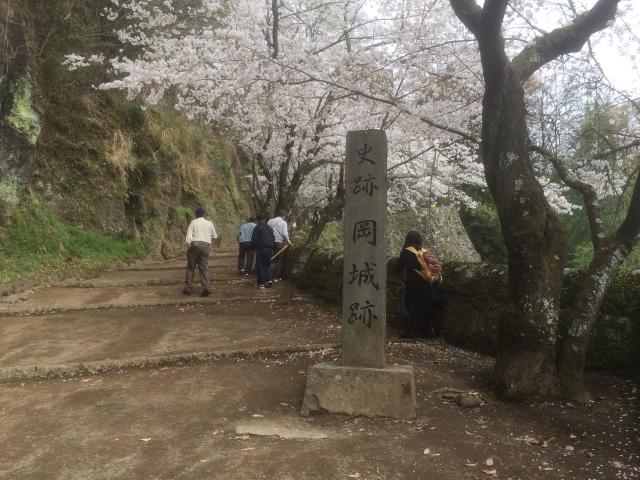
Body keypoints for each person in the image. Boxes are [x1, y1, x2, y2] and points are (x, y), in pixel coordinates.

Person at [394, 230, 443, 339]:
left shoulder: (407, 252)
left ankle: (408, 331)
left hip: (414, 286)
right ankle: (429, 332)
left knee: (406, 307)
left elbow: (397, 269)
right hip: (428, 284)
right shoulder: (424, 252)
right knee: (425, 308)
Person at [183, 207, 217, 297]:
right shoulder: (209, 223)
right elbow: (215, 236)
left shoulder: (193, 222)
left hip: (195, 245)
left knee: (191, 267)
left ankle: (188, 288)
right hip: (205, 246)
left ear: (196, 215)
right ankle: (206, 288)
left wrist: (189, 245)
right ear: (204, 214)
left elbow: (189, 236)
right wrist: (208, 241)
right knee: (204, 269)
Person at [250, 213, 275, 288]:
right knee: (267, 265)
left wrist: (252, 248)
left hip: (261, 249)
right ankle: (269, 280)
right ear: (265, 219)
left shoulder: (257, 227)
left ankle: (261, 283)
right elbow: (273, 238)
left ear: (257, 220)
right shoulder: (269, 228)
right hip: (270, 249)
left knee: (260, 265)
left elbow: (254, 240)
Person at [268, 211, 292, 282]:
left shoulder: (270, 221)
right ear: (283, 216)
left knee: (270, 258)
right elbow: (284, 234)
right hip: (278, 243)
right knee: (279, 259)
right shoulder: (283, 223)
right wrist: (289, 241)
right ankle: (276, 277)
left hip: (269, 242)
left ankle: (267, 275)